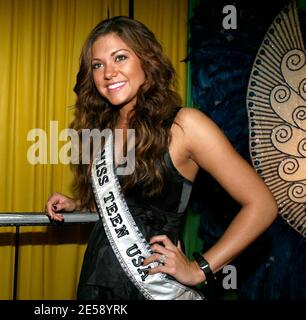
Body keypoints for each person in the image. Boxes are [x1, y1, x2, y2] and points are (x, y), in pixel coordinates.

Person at [45, 16, 277, 300]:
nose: (108, 73)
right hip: (98, 279)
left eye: (120, 57)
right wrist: (79, 204)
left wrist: (199, 269)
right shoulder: (100, 132)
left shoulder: (185, 125)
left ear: (146, 61)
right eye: (97, 65)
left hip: (155, 288)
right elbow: (126, 203)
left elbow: (262, 204)